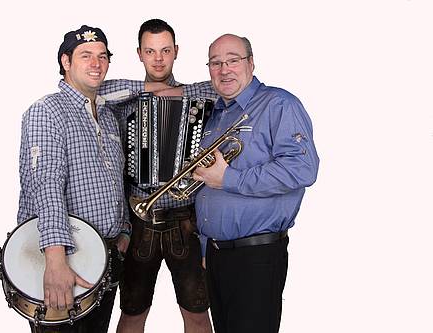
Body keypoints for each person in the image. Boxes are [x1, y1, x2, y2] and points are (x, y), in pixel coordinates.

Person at [192, 34, 320, 333]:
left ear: (251, 63)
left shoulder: (279, 104)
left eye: (233, 60)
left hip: (256, 256)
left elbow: (303, 169)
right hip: (215, 255)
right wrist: (204, 247)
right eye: (216, 63)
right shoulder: (217, 116)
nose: (224, 69)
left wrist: (229, 179)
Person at [98, 19, 215, 333]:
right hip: (139, 220)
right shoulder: (123, 99)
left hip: (186, 219)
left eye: (165, 50)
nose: (159, 58)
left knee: (198, 313)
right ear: (139, 53)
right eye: (150, 51)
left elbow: (222, 84)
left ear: (176, 51)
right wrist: (155, 90)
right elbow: (98, 89)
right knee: (132, 313)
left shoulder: (196, 95)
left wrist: (179, 93)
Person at [17, 25, 132, 333]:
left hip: (106, 260)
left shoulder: (108, 116)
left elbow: (116, 181)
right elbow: (47, 185)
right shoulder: (47, 110)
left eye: (102, 56)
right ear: (66, 62)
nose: (96, 63)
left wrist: (124, 233)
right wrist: (55, 260)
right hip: (65, 262)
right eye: (85, 56)